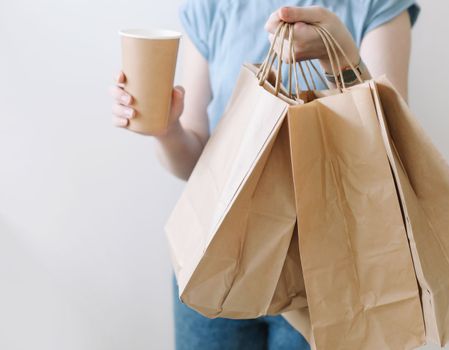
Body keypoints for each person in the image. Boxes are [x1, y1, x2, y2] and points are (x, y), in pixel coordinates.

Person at [109, 1, 420, 349]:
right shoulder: (212, 7)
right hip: (218, 252)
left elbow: (389, 155)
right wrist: (166, 128)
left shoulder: (375, 6)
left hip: (328, 266)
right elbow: (196, 160)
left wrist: (340, 58)